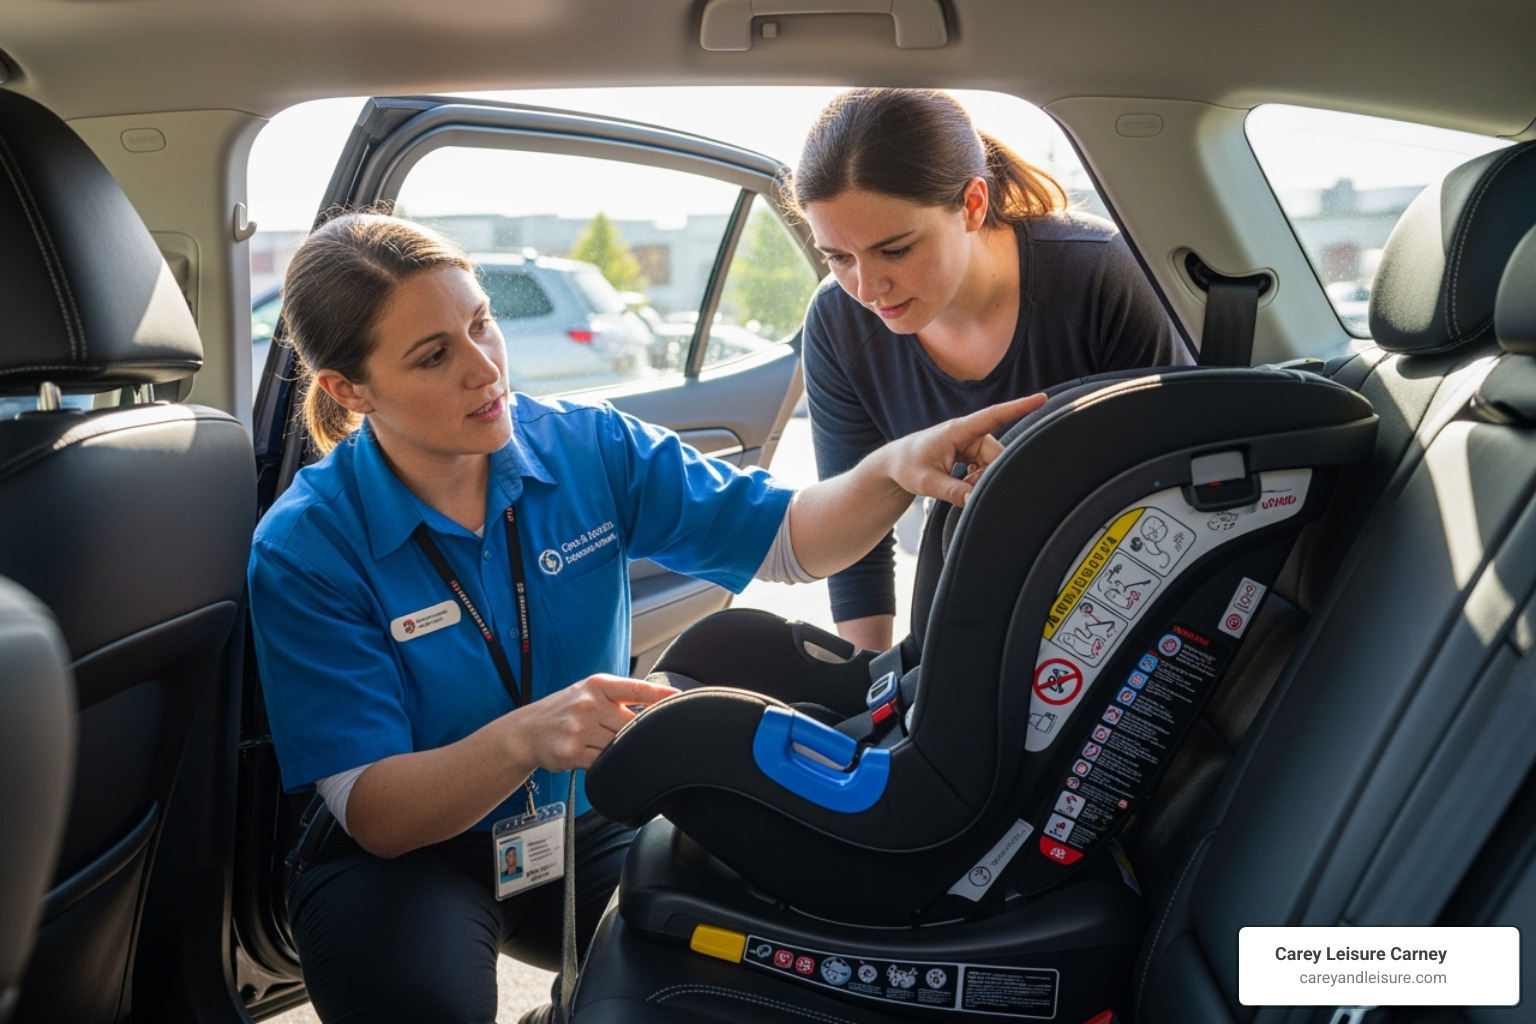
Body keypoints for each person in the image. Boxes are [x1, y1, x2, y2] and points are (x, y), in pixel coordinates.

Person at [247, 211, 1044, 1024]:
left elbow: (788, 540)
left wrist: (896, 468)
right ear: (349, 389)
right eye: (434, 355)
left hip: (582, 823)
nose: (484, 368)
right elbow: (376, 814)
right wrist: (525, 737)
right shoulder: (308, 544)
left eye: (483, 323)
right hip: (415, 860)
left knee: (728, 980)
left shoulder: (585, 449)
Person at [791, 88, 1195, 652]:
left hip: (1132, 603)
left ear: (973, 205)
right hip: (980, 611)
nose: (867, 288)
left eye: (897, 250)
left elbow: (1173, 501)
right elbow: (860, 536)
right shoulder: (837, 323)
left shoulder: (1099, 277)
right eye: (838, 257)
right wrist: (866, 689)